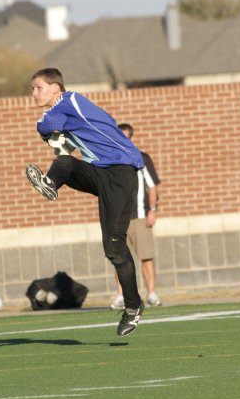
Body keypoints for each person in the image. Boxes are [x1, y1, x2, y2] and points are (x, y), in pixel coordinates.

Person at [26, 67, 145, 337]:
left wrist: (51, 134)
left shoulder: (70, 102)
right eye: (33, 89)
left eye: (38, 88)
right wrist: (58, 139)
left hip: (121, 174)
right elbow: (55, 130)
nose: (34, 94)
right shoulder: (66, 108)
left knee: (114, 248)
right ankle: (51, 185)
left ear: (55, 88)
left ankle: (133, 306)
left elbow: (44, 125)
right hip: (100, 172)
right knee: (65, 162)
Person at [110, 123, 162, 310]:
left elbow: (152, 186)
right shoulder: (110, 159)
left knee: (146, 256)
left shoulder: (141, 158)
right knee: (119, 258)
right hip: (119, 218)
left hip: (140, 215)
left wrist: (152, 210)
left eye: (126, 137)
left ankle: (151, 293)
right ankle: (121, 295)